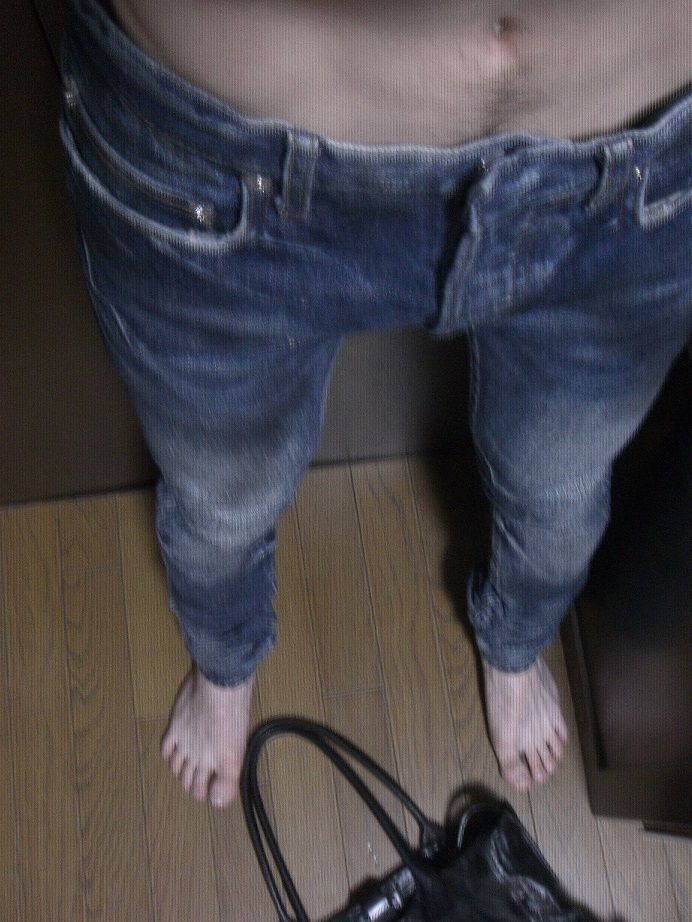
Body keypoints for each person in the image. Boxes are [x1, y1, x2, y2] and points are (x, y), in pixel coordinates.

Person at [58, 0, 692, 809]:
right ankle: (225, 658)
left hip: (641, 171)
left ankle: (516, 639)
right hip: (216, 158)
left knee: (560, 493)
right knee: (221, 499)